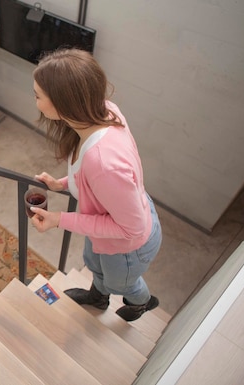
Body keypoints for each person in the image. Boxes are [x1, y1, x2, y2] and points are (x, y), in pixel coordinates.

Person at [28, 48, 162, 322]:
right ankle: (98, 298)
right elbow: (90, 180)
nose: (35, 101)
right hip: (112, 227)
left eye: (38, 95)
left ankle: (142, 303)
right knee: (94, 264)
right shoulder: (101, 112)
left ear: (62, 103)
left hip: (129, 244)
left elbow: (130, 227)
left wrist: (59, 219)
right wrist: (60, 184)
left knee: (123, 284)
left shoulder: (104, 163)